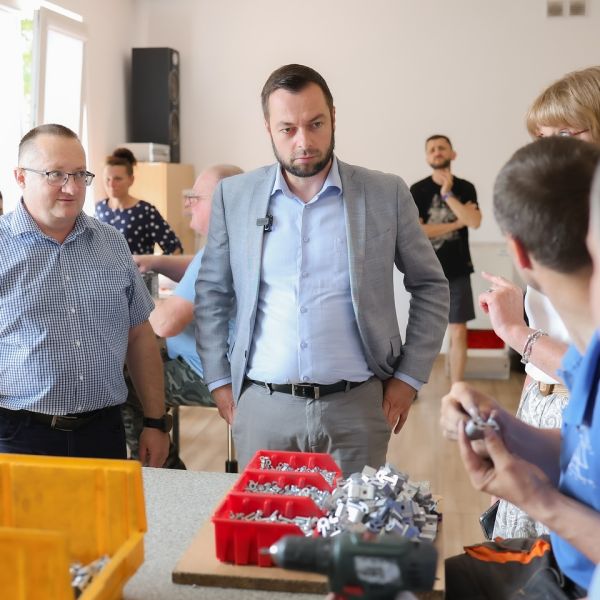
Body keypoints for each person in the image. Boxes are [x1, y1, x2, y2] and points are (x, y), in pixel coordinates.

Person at [195, 63, 449, 476]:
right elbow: (211, 293)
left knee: (354, 521)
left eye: (316, 124)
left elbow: (430, 286)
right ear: (268, 129)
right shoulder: (234, 196)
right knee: (265, 521)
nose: (304, 141)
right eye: (288, 129)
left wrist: (409, 378)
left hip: (357, 408)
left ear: (333, 117)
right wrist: (219, 382)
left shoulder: (385, 193)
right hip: (262, 408)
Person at [440, 136, 600, 599]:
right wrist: (503, 428)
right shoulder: (588, 357)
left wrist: (537, 499)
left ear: (519, 253)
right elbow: (583, 453)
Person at [0, 124, 169, 466]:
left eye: (80, 174)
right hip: (19, 435)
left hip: (103, 431)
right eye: (55, 174)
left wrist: (155, 421)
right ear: (20, 177)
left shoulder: (112, 242)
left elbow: (139, 334)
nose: (72, 187)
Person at [479, 65, 600, 540]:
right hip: (542, 405)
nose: (550, 151)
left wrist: (516, 333)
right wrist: (511, 441)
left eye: (566, 135)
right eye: (542, 138)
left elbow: (590, 369)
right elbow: (539, 368)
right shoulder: (556, 221)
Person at [122, 164, 243, 468]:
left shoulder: (216, 252)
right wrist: (155, 262)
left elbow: (165, 323)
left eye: (196, 198)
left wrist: (135, 302)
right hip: (243, 371)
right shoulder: (242, 240)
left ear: (223, 202)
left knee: (125, 382)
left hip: (213, 378)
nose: (188, 205)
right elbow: (196, 267)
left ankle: (163, 470)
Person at [410, 135, 481, 383]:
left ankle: (457, 389)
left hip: (458, 268)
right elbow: (419, 231)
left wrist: (447, 194)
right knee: (422, 333)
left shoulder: (465, 188)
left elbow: (474, 221)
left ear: (453, 154)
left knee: (459, 330)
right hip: (426, 270)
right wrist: (457, 223)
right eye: (431, 149)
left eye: (442, 148)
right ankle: (412, 386)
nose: (437, 152)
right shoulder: (417, 190)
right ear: (427, 157)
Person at [95, 147, 183, 255]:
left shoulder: (145, 211)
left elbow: (174, 248)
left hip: (137, 266)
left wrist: (153, 264)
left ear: (131, 180)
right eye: (107, 179)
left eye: (118, 179)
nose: (111, 184)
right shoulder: (100, 208)